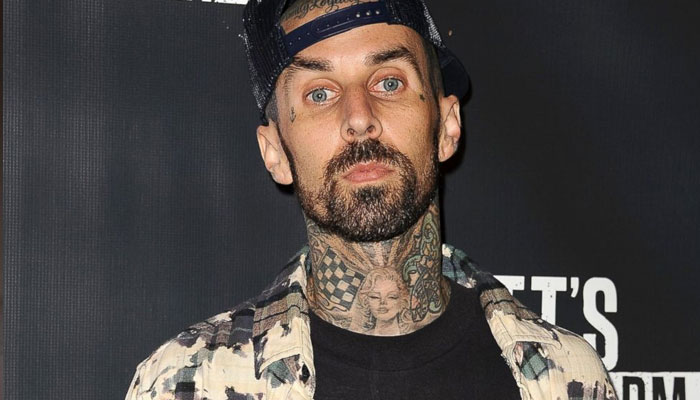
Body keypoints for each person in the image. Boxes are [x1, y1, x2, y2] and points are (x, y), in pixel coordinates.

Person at [126, 0, 618, 399]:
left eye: (389, 82)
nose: (359, 117)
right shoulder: (189, 384)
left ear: (447, 127)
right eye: (320, 93)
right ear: (275, 152)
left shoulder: (566, 378)